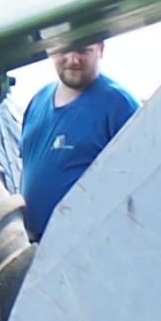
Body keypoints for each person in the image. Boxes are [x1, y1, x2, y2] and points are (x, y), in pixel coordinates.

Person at [14, 36, 135, 235]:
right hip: (34, 243)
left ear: (100, 49)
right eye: (64, 49)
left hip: (89, 243)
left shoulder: (120, 106)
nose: (73, 59)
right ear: (50, 49)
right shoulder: (38, 100)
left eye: (83, 50)